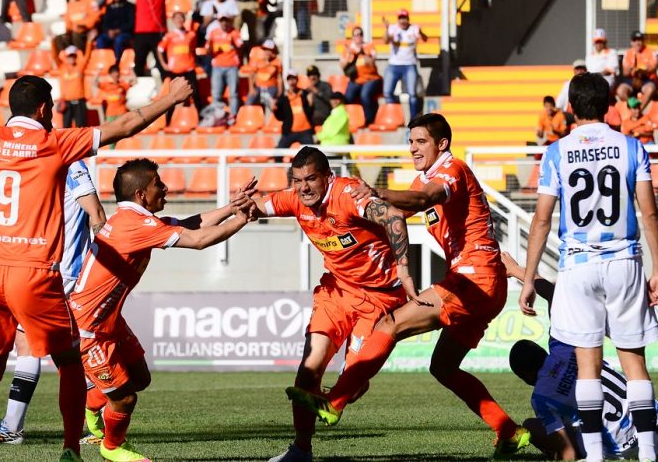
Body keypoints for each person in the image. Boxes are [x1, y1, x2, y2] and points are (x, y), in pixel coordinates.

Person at [0, 73, 193, 462]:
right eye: (51, 108)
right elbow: (124, 125)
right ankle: (72, 448)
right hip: (34, 271)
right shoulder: (53, 144)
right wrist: (169, 99)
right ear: (42, 109)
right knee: (70, 361)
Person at [288, 113, 530, 459]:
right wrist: (358, 210)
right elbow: (396, 213)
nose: (413, 148)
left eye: (421, 142)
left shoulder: (452, 170)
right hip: (484, 285)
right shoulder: (424, 181)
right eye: (410, 141)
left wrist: (375, 190)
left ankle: (334, 403)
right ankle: (508, 430)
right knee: (443, 367)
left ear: (441, 144)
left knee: (391, 323)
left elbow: (419, 201)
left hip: (471, 279)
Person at [519, 72, 658, 462]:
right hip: (624, 260)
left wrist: (529, 277)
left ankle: (597, 456)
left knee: (588, 365)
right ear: (610, 106)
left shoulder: (556, 152)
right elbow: (649, 213)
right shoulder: (632, 147)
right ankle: (649, 454)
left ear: (570, 108)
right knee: (634, 362)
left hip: (577, 264)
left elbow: (543, 220)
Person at [70, 158, 255, 461]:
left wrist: (231, 208)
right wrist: (243, 219)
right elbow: (197, 240)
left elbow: (188, 224)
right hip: (90, 327)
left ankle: (93, 404)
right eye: (159, 183)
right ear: (141, 194)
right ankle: (112, 447)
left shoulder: (134, 218)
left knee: (140, 378)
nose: (166, 188)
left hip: (109, 318)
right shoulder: (134, 224)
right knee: (126, 398)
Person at [241, 146, 418, 462]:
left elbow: (391, 216)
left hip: (381, 299)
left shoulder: (348, 194)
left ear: (327, 176)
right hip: (335, 293)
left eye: (311, 179)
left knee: (354, 385)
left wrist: (404, 267)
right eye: (298, 180)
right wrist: (243, 204)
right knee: (309, 370)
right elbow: (258, 206)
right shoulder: (294, 198)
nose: (304, 187)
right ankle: (301, 449)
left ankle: (337, 395)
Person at [0, 160, 106, 445]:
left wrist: (99, 269)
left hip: (64, 275)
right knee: (50, 348)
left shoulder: (71, 163)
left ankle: (16, 427)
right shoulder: (40, 160)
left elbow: (96, 213)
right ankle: (15, 426)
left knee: (62, 351)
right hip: (42, 270)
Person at [502, 251, 658, 460]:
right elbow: (553, 295)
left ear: (525, 377)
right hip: (655, 422)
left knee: (531, 426)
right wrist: (517, 271)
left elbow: (568, 452)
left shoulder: (541, 396)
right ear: (543, 351)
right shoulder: (565, 346)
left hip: (626, 447)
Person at [158, 11, 203, 123]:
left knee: (195, 94)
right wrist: (164, 64)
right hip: (175, 70)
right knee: (173, 97)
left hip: (189, 68)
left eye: (181, 18)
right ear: (173, 20)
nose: (179, 20)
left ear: (184, 20)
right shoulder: (169, 36)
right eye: (176, 18)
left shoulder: (191, 35)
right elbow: (159, 50)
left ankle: (201, 119)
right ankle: (168, 122)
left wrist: (194, 61)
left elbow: (193, 49)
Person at [382, 9, 428, 118]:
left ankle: (413, 120)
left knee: (412, 94)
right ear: (398, 19)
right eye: (401, 18)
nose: (403, 21)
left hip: (409, 65)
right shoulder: (393, 28)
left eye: (404, 18)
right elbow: (385, 41)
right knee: (387, 92)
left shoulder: (413, 29)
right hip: (394, 65)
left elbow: (425, 39)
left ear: (408, 19)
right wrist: (386, 29)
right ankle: (395, 116)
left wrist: (420, 32)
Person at [340, 26, 382, 126]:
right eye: (355, 35)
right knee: (348, 97)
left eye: (360, 34)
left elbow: (372, 62)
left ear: (362, 36)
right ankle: (350, 120)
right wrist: (350, 55)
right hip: (356, 80)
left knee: (365, 95)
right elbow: (342, 66)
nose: (358, 37)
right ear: (352, 37)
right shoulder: (349, 49)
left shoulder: (369, 46)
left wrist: (362, 53)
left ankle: (369, 119)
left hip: (371, 78)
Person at [207, 10, 243, 119]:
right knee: (216, 94)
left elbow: (241, 47)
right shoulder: (213, 33)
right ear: (219, 21)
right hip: (217, 66)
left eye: (226, 20)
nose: (224, 23)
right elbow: (208, 50)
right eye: (222, 20)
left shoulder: (234, 32)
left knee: (233, 94)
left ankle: (233, 116)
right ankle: (217, 116)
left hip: (232, 66)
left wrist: (233, 44)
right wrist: (210, 48)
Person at [273, 68, 314, 150]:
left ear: (297, 79)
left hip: (305, 130)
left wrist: (311, 104)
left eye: (293, 78)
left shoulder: (305, 94)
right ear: (287, 81)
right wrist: (275, 110)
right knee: (278, 154)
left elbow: (310, 112)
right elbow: (280, 117)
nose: (292, 81)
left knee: (311, 154)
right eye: (289, 79)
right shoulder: (283, 98)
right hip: (289, 131)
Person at [616, 30, 658, 110]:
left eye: (640, 40)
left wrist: (641, 72)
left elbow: (652, 68)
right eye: (635, 40)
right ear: (631, 42)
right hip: (631, 79)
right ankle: (633, 106)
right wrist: (634, 72)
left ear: (643, 41)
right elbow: (625, 72)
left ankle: (639, 110)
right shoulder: (628, 53)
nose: (637, 43)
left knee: (650, 89)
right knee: (620, 90)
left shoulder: (651, 52)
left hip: (646, 79)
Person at [58, 41, 94, 128]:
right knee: (66, 127)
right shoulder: (62, 67)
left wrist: (88, 42)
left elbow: (87, 57)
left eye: (73, 56)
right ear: (66, 57)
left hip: (80, 101)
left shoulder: (80, 67)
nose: (71, 58)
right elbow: (55, 56)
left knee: (81, 126)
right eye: (69, 56)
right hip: (67, 102)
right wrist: (53, 41)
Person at [96, 0, 135, 64]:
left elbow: (131, 24)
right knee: (100, 40)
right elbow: (104, 23)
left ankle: (117, 62)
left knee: (119, 40)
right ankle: (104, 62)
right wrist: (108, 31)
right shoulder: (109, 7)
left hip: (125, 33)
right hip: (110, 33)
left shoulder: (130, 7)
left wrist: (118, 31)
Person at [133, 0, 166, 77]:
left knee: (162, 64)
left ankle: (167, 87)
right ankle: (141, 86)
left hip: (157, 33)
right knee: (139, 64)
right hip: (141, 33)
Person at [245, 39, 282, 110]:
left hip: (271, 87)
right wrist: (251, 88)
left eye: (269, 50)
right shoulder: (257, 60)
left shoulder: (277, 62)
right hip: (258, 87)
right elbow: (251, 75)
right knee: (248, 104)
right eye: (265, 50)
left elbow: (279, 78)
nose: (267, 52)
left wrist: (280, 91)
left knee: (274, 106)